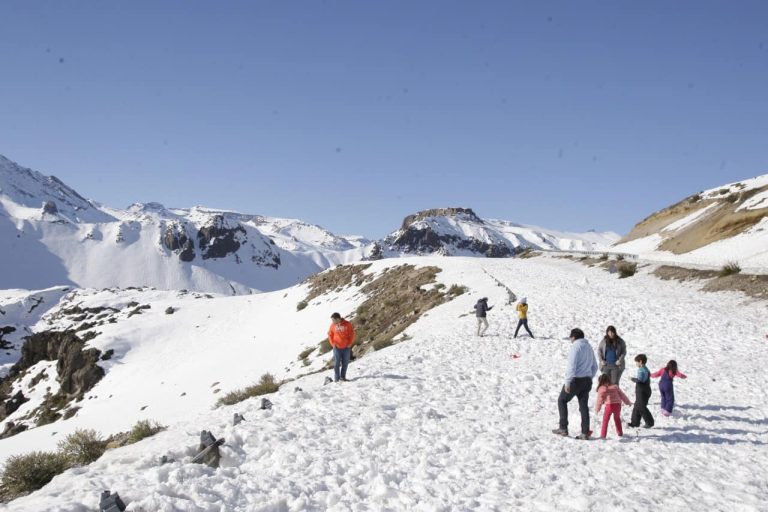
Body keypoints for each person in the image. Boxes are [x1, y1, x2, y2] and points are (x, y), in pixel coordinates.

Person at [553, 328, 598, 439]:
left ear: (573, 337)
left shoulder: (575, 347)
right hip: (587, 380)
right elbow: (595, 366)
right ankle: (585, 432)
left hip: (576, 380)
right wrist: (589, 377)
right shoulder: (589, 347)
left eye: (570, 337)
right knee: (583, 406)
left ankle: (563, 428)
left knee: (562, 400)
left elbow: (571, 366)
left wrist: (567, 382)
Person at [594, 374, 632, 438]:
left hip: (609, 406)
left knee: (605, 420)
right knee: (617, 418)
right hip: (618, 405)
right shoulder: (615, 387)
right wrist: (628, 402)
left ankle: (603, 435)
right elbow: (622, 395)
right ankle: (620, 433)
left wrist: (597, 409)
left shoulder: (602, 389)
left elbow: (599, 400)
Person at [628, 354, 654, 428]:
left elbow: (640, 380)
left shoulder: (641, 370)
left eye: (636, 362)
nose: (636, 364)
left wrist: (632, 379)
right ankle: (635, 422)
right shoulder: (645, 369)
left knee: (641, 407)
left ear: (640, 361)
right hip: (644, 390)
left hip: (642, 391)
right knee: (637, 406)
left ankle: (649, 422)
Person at [327, 312, 355, 382]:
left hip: (346, 348)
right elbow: (330, 334)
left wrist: (350, 343)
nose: (332, 322)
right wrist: (333, 344)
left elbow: (352, 334)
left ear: (338, 319)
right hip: (337, 348)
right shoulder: (333, 325)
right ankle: (337, 379)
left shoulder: (347, 324)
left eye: (333, 320)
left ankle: (343, 378)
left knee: (345, 363)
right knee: (336, 364)